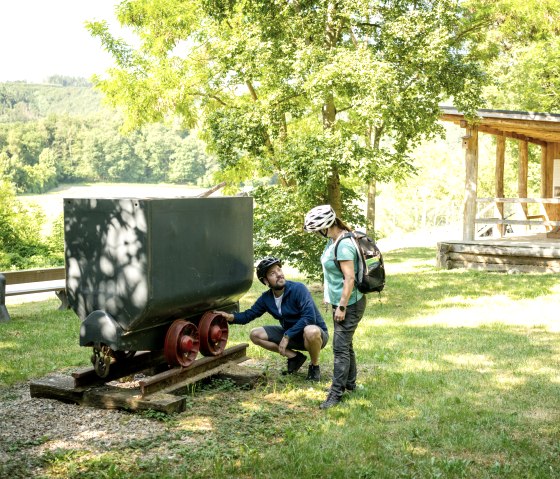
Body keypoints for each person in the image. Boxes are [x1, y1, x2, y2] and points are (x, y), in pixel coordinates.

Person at [214, 257, 328, 381]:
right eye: (273, 273)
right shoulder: (266, 298)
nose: (279, 274)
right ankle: (294, 357)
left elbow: (309, 317)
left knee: (311, 330)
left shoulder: (298, 289)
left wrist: (287, 336)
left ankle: (314, 366)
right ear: (266, 281)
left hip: (315, 336)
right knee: (255, 334)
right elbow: (249, 315)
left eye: (279, 270)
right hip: (293, 336)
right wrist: (230, 317)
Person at [304, 204, 367, 409]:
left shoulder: (344, 244)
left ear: (325, 226)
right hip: (340, 302)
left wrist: (341, 306)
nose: (315, 234)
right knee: (346, 345)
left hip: (350, 304)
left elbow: (349, 278)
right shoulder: (333, 241)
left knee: (340, 349)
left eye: (316, 230)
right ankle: (350, 384)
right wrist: (327, 295)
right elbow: (331, 273)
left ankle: (335, 395)